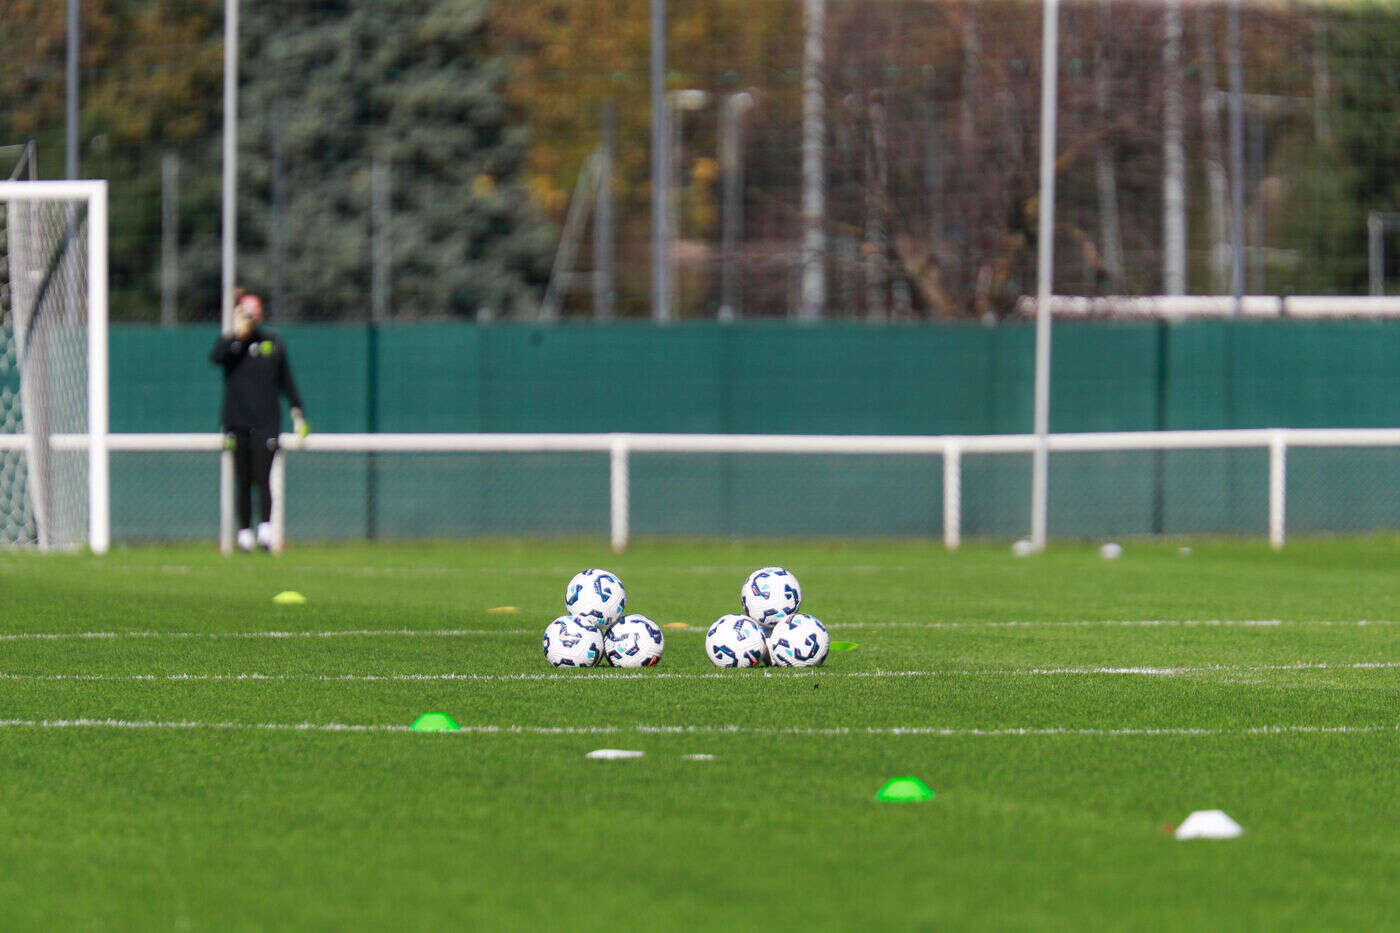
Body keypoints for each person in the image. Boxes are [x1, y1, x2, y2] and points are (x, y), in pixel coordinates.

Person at [210, 291, 309, 551]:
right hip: (237, 422)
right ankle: (244, 533)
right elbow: (216, 357)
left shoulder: (272, 343)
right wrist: (236, 335)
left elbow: (286, 381)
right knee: (243, 479)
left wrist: (298, 411)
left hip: (266, 422)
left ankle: (265, 530)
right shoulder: (232, 345)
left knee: (263, 477)